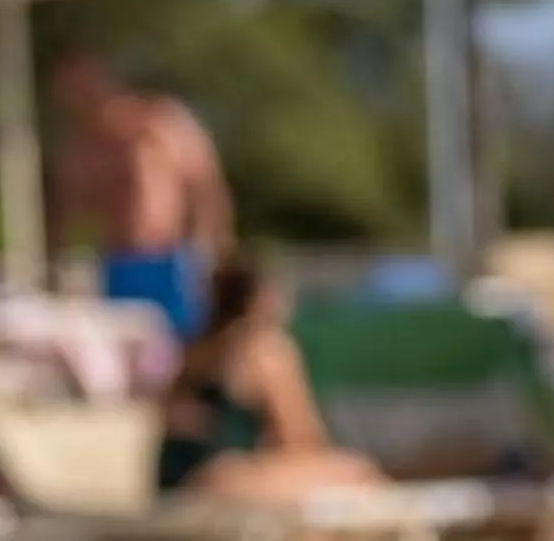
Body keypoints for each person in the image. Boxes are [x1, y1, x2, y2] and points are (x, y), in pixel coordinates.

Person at [154, 257, 386, 502]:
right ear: (264, 299)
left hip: (176, 486)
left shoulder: (195, 350)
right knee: (360, 476)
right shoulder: (264, 349)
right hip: (220, 482)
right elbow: (301, 441)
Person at [51, 49, 234, 339]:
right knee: (130, 348)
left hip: (172, 259)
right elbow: (67, 216)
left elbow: (205, 186)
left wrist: (211, 251)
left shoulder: (157, 122)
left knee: (186, 347)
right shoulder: (80, 146)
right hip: (118, 263)